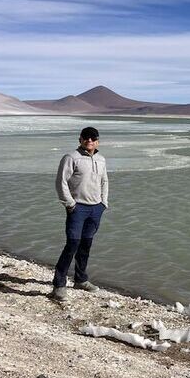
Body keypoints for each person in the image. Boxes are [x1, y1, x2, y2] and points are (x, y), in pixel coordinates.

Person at [50, 126, 109, 301]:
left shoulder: (101, 159)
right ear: (80, 139)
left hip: (95, 208)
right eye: (86, 137)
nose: (89, 140)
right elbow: (61, 182)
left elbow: (104, 180)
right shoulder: (71, 158)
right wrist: (70, 204)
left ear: (97, 141)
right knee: (72, 245)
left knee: (86, 245)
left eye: (93, 138)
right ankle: (59, 285)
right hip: (78, 208)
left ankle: (80, 279)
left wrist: (103, 202)